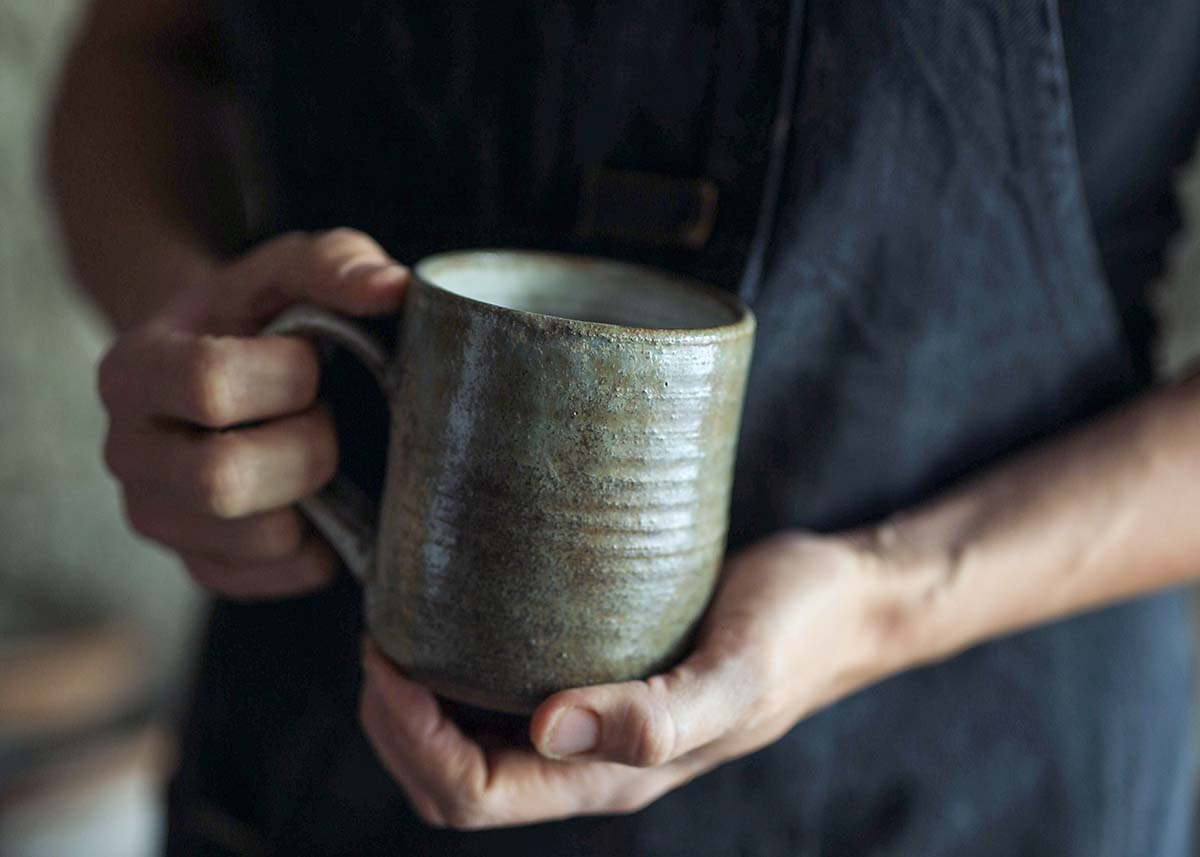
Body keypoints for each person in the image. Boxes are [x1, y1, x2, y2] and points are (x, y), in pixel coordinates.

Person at [46, 0, 1200, 854]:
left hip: (981, 779)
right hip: (333, 760)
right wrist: (186, 319)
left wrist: (892, 593)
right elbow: (146, 48)